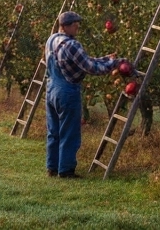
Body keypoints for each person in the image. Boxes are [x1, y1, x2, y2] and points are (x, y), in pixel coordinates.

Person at [45, 11, 119, 178]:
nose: (77, 27)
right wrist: (113, 64)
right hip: (67, 91)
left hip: (51, 90)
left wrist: (104, 59)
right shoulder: (72, 45)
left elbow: (83, 60)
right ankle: (66, 170)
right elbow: (90, 68)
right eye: (73, 24)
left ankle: (52, 167)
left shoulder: (51, 40)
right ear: (64, 26)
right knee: (69, 132)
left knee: (54, 131)